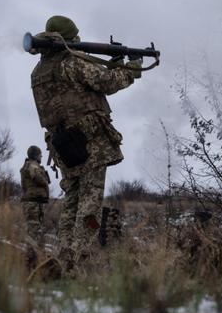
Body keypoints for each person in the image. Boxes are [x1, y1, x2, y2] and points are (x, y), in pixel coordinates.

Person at [30, 15, 141, 253]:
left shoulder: (38, 72)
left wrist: (114, 62)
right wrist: (133, 66)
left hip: (61, 145)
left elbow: (77, 88)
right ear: (69, 37)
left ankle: (63, 253)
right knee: (90, 202)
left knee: (72, 200)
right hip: (88, 142)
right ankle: (80, 257)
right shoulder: (72, 62)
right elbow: (108, 83)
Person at [19, 145, 50, 244]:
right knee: (33, 231)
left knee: (36, 230)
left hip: (35, 201)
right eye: (40, 155)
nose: (41, 157)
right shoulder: (32, 165)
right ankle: (32, 256)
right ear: (36, 155)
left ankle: (37, 255)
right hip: (32, 203)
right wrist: (45, 181)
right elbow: (37, 177)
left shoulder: (29, 165)